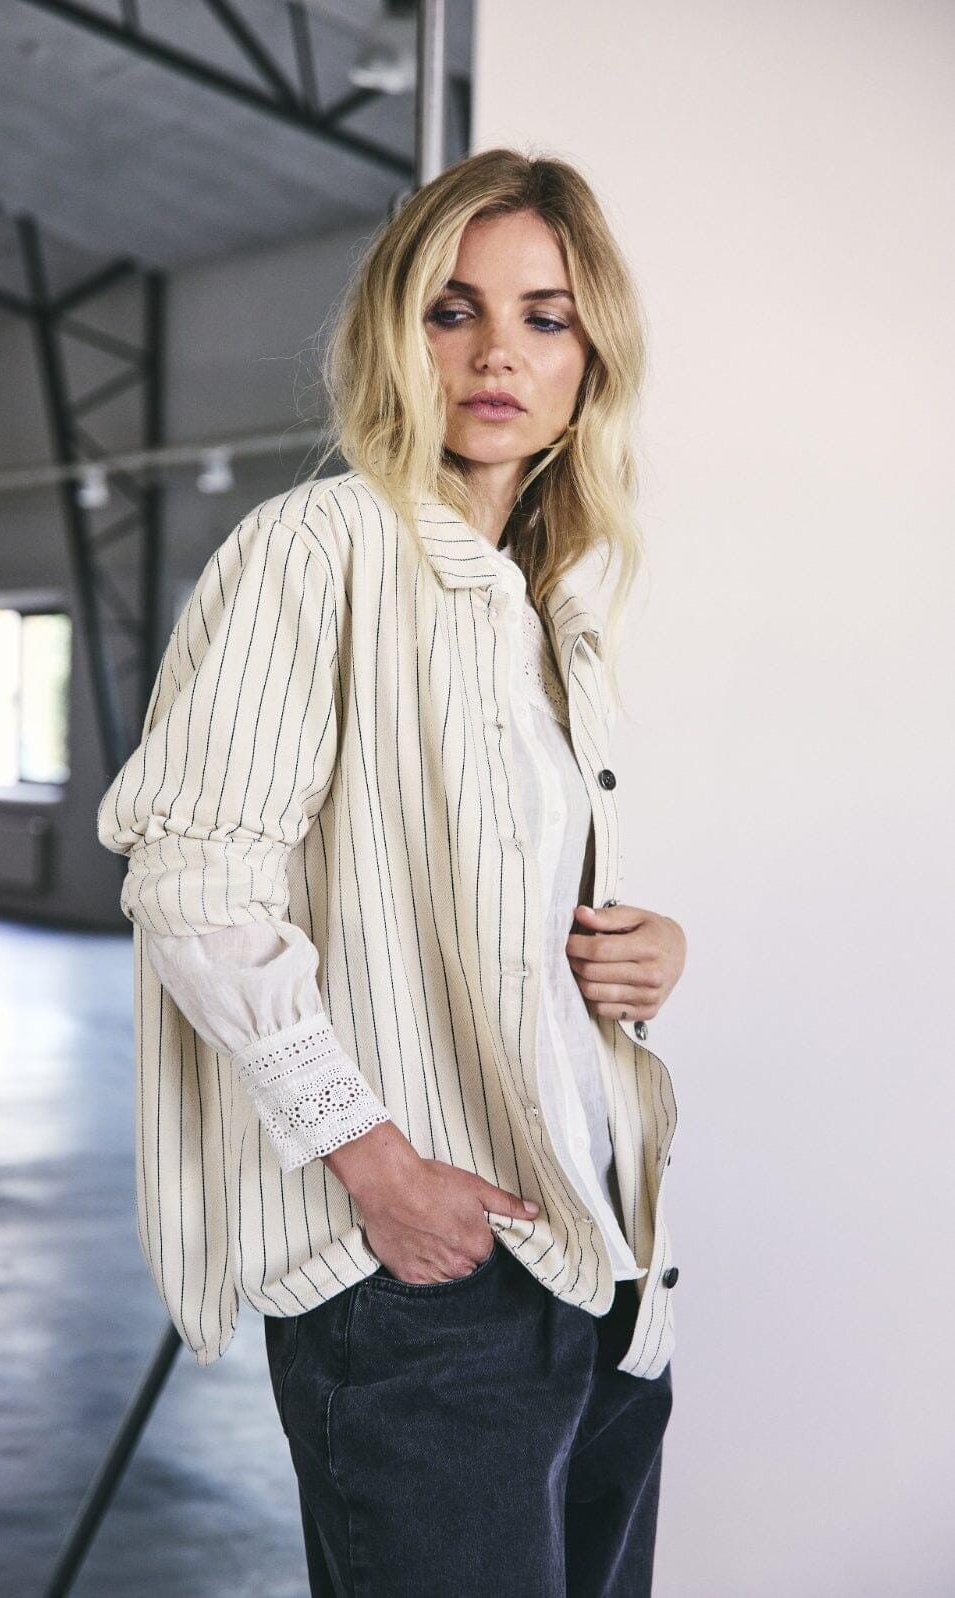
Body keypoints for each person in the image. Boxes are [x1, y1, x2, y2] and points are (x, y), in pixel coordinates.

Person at [97, 146, 687, 1597]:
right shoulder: (316, 550)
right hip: (427, 1277)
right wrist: (373, 1162)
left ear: (592, 356)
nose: (497, 353)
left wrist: (638, 950)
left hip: (604, 1264)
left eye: (545, 316)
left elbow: (494, 907)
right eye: (452, 309)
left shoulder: (551, 608)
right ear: (393, 336)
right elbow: (195, 880)